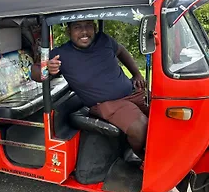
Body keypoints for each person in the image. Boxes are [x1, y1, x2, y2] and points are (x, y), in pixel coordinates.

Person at [31, 20, 148, 159]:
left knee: (169, 111)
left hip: (133, 92)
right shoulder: (60, 54)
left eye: (88, 26)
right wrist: (46, 69)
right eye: (77, 27)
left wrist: (137, 74)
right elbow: (34, 72)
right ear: (68, 32)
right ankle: (144, 159)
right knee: (141, 128)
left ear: (95, 28)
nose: (84, 32)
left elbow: (121, 51)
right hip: (108, 104)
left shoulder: (104, 40)